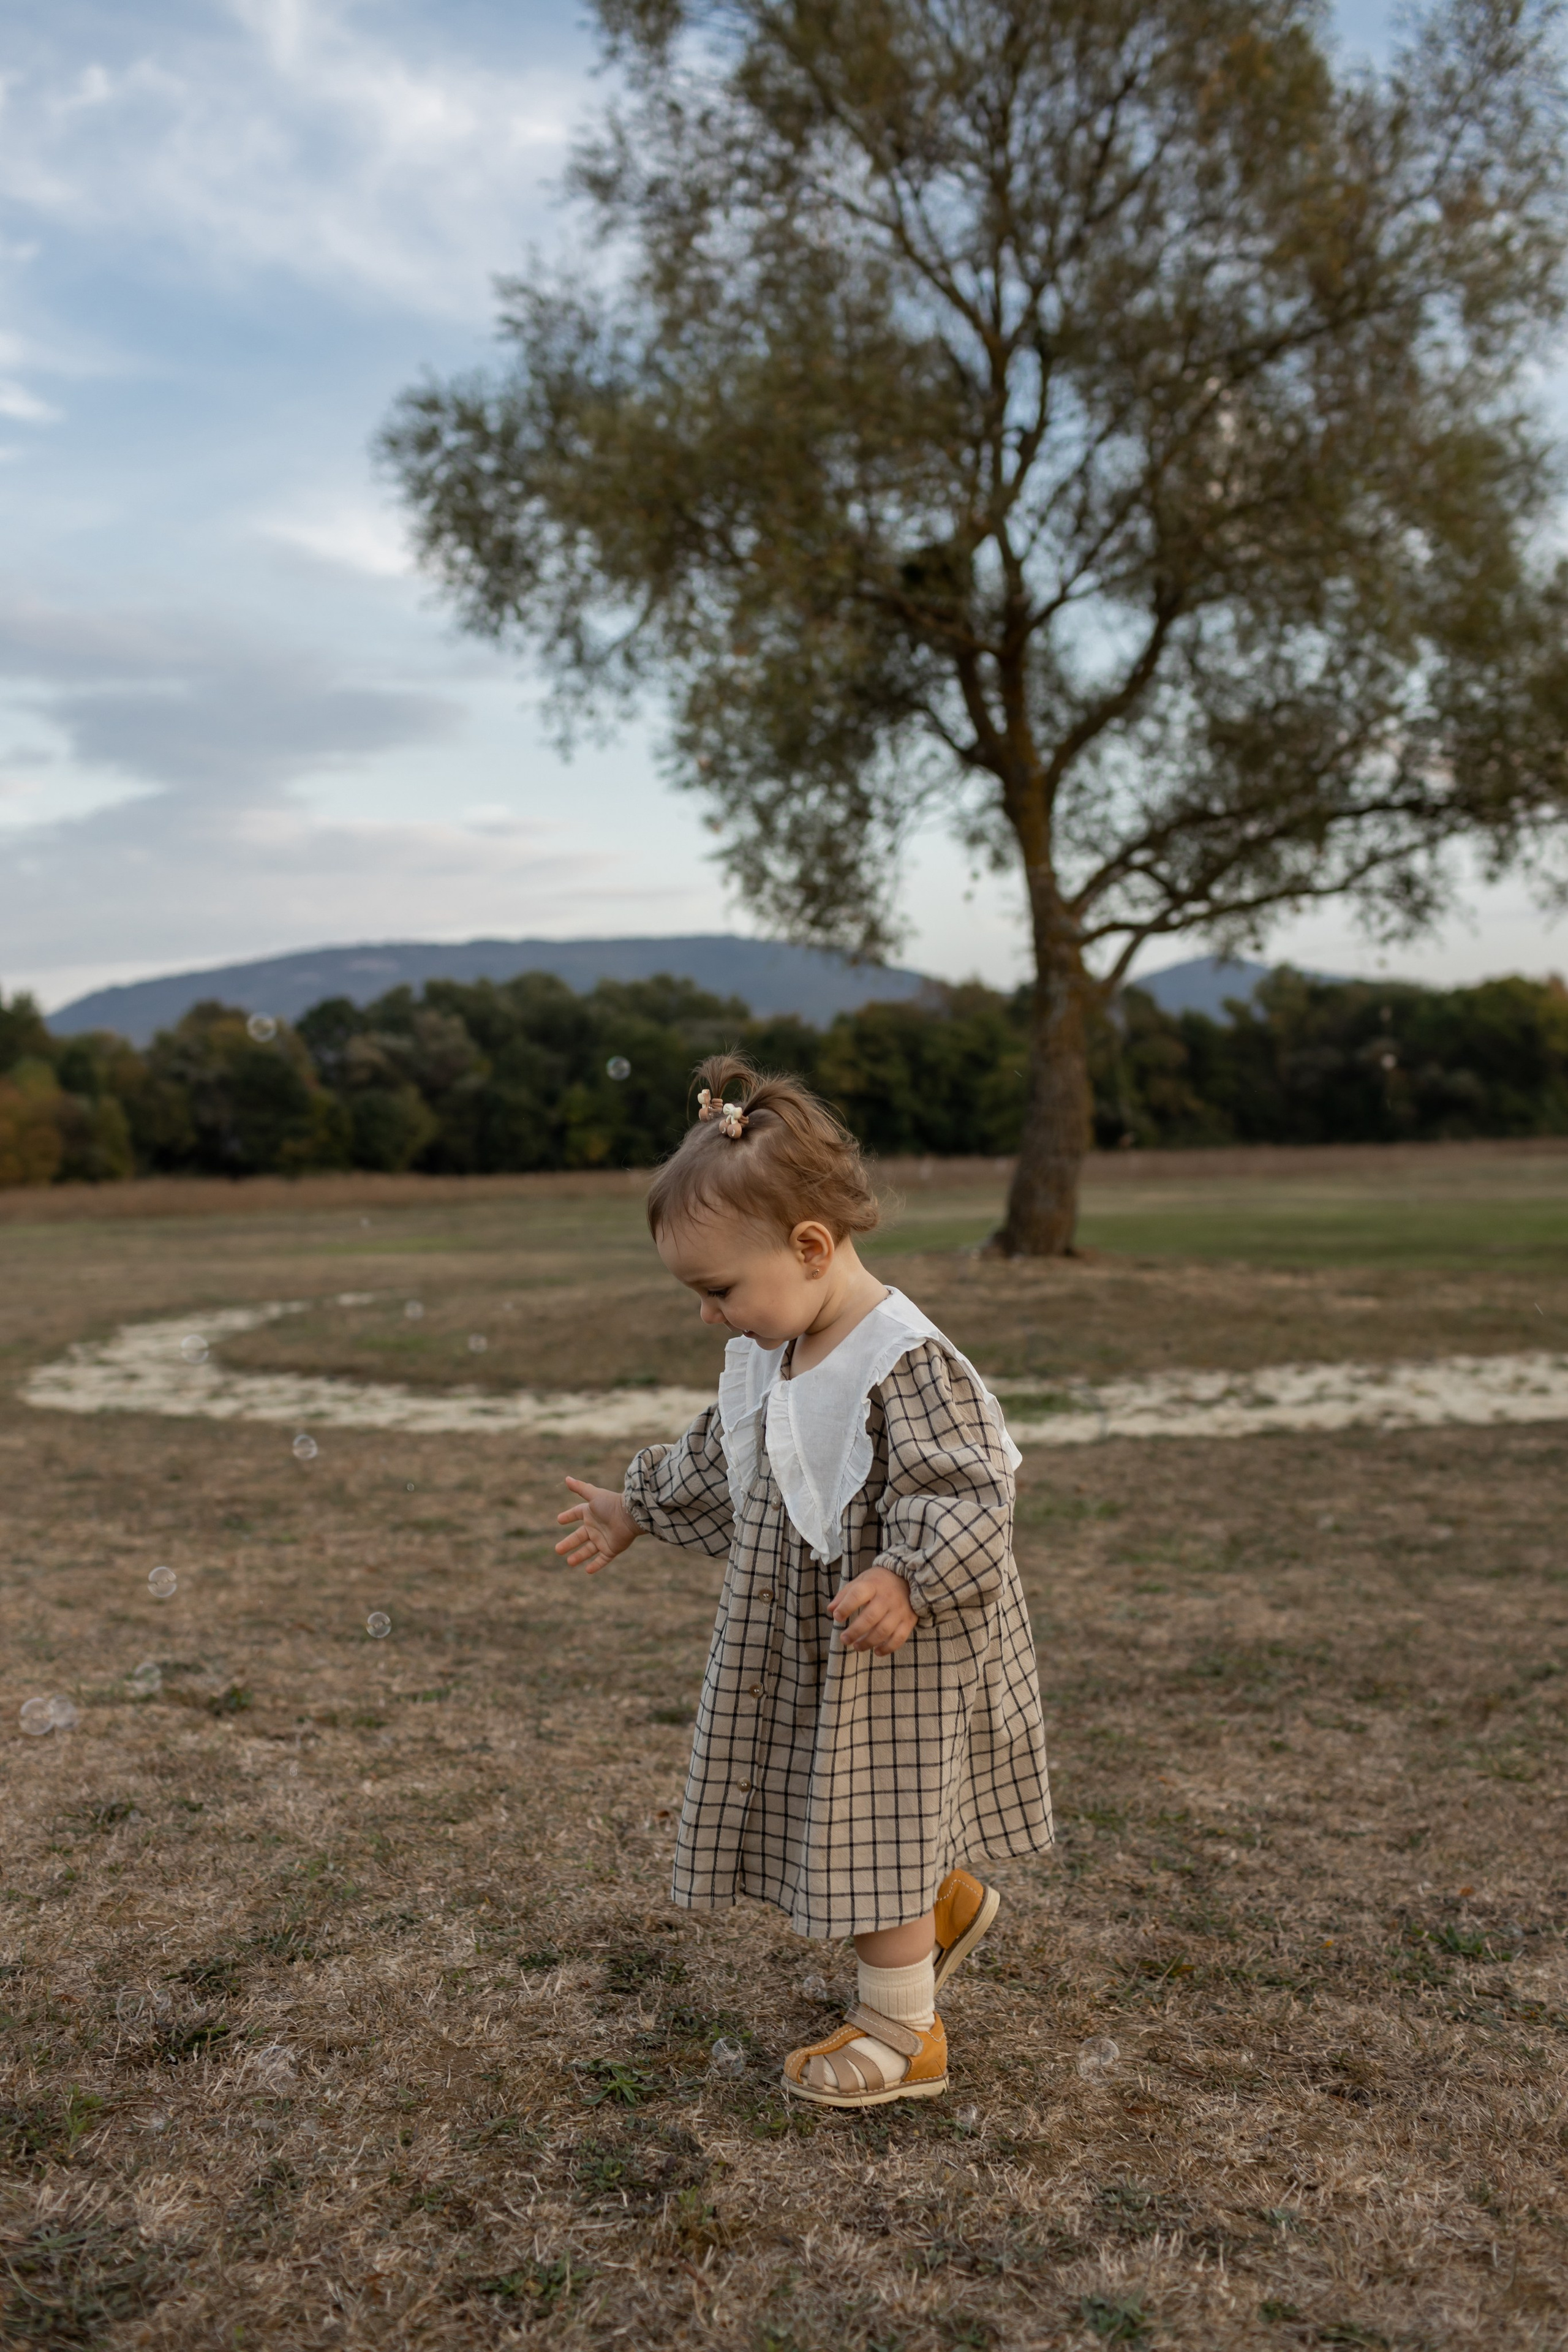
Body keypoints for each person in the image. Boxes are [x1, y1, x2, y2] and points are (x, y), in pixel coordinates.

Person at [555, 1055, 1053, 2108]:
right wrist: (633, 1505)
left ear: (811, 1247)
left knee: (879, 1802)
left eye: (719, 1291)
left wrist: (910, 1578)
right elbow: (723, 1455)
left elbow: (971, 1495)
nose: (709, 1317)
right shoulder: (771, 1354)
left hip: (896, 1646)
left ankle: (903, 2032)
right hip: (810, 1639)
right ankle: (939, 1906)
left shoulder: (906, 1363)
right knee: (864, 1816)